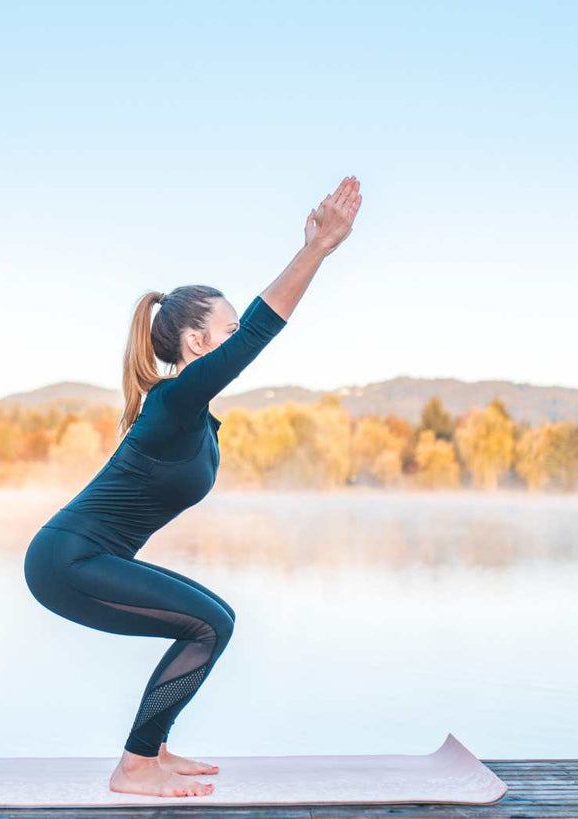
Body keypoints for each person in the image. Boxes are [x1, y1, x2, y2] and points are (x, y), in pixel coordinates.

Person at [23, 176, 363, 798]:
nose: (236, 341)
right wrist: (316, 249)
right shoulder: (176, 398)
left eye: (233, 331)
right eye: (226, 332)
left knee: (217, 619)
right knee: (207, 624)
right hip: (65, 561)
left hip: (81, 558)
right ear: (196, 342)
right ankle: (134, 767)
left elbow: (249, 332)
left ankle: (151, 749)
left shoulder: (192, 413)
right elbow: (262, 328)